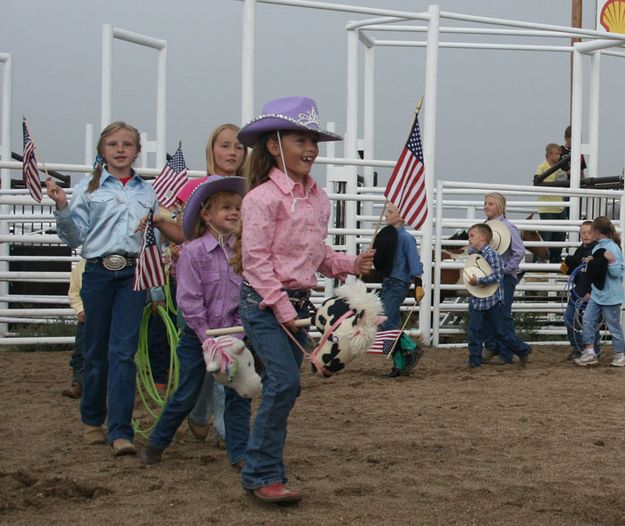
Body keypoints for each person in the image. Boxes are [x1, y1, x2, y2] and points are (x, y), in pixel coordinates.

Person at [235, 96, 375, 503]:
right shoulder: (261, 199)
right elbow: (255, 263)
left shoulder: (318, 197)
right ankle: (261, 474)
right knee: (285, 384)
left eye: (313, 140)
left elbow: (317, 255)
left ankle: (258, 465)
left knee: (283, 386)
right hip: (264, 303)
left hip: (294, 305)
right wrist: (281, 307)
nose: (310, 148)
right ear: (274, 146)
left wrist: (351, 263)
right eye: (301, 139)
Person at [46, 121, 158, 456]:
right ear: (102, 150)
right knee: (95, 351)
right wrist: (63, 207)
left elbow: (155, 241)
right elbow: (74, 237)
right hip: (96, 272)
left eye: (127, 144)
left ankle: (121, 430)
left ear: (137, 151)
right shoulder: (87, 189)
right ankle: (92, 418)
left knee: (123, 352)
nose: (120, 149)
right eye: (113, 144)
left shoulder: (148, 192)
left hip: (133, 275)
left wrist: (156, 286)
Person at [138, 176, 252, 467]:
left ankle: (239, 453)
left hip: (232, 333)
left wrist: (236, 336)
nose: (234, 212)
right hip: (197, 336)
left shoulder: (243, 252)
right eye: (225, 207)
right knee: (187, 393)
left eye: (237, 207)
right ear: (206, 214)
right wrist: (208, 338)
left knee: (237, 393)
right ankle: (157, 442)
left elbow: (247, 293)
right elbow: (188, 300)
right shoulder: (192, 252)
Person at [185, 124, 247, 446]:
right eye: (225, 146)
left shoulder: (249, 191)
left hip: (235, 282)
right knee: (204, 361)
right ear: (213, 149)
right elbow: (186, 230)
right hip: (202, 283)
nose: (232, 152)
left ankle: (223, 425)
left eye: (238, 147)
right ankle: (200, 413)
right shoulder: (198, 188)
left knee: (229, 356)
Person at [465, 223, 530, 369]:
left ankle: (522, 350)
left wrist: (479, 281)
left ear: (482, 237)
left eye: (471, 236)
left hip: (492, 300)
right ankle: (474, 360)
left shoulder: (491, 255)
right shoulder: (478, 256)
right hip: (481, 299)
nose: (469, 239)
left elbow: (498, 275)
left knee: (500, 332)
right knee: (474, 330)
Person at [481, 192, 531, 364]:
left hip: (503, 278)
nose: (486, 206)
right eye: (486, 203)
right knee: (488, 313)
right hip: (489, 277)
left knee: (501, 315)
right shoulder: (485, 227)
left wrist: (506, 270)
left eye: (491, 204)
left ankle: (505, 351)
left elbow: (519, 251)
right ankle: (494, 346)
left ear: (500, 207)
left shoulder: (508, 227)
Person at [377, 203, 424, 377]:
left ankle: (409, 350)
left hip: (397, 283)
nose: (386, 215)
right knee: (389, 321)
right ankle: (400, 360)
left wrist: (418, 282)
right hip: (390, 281)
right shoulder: (394, 237)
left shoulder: (405, 238)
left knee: (387, 322)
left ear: (401, 216)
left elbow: (414, 262)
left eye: (390, 212)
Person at [574, 216, 625, 367]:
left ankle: (619, 354)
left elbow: (617, 272)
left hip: (609, 295)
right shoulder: (604, 247)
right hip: (599, 293)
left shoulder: (612, 248)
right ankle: (590, 351)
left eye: (591, 231)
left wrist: (611, 260)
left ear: (597, 232)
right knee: (588, 320)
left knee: (612, 325)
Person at [561, 221, 600, 361]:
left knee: (589, 322)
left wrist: (591, 291)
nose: (585, 235)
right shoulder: (580, 250)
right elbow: (576, 273)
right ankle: (578, 347)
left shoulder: (597, 251)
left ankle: (593, 349)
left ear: (595, 233)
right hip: (577, 292)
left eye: (589, 232)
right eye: (583, 232)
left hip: (590, 294)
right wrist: (567, 269)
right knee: (569, 319)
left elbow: (597, 274)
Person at [536, 143, 568, 264]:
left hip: (559, 207)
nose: (559, 156)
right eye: (557, 154)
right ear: (550, 154)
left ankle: (556, 259)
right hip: (547, 208)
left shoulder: (559, 169)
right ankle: (541, 260)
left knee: (560, 235)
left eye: (559, 154)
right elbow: (537, 182)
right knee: (546, 236)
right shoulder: (542, 168)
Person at [62, 258, 86, 399]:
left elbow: (74, 291)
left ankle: (81, 384)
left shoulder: (83, 264)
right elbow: (74, 291)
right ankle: (79, 383)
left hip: (93, 313)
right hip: (88, 314)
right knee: (81, 350)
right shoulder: (82, 264)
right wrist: (80, 309)